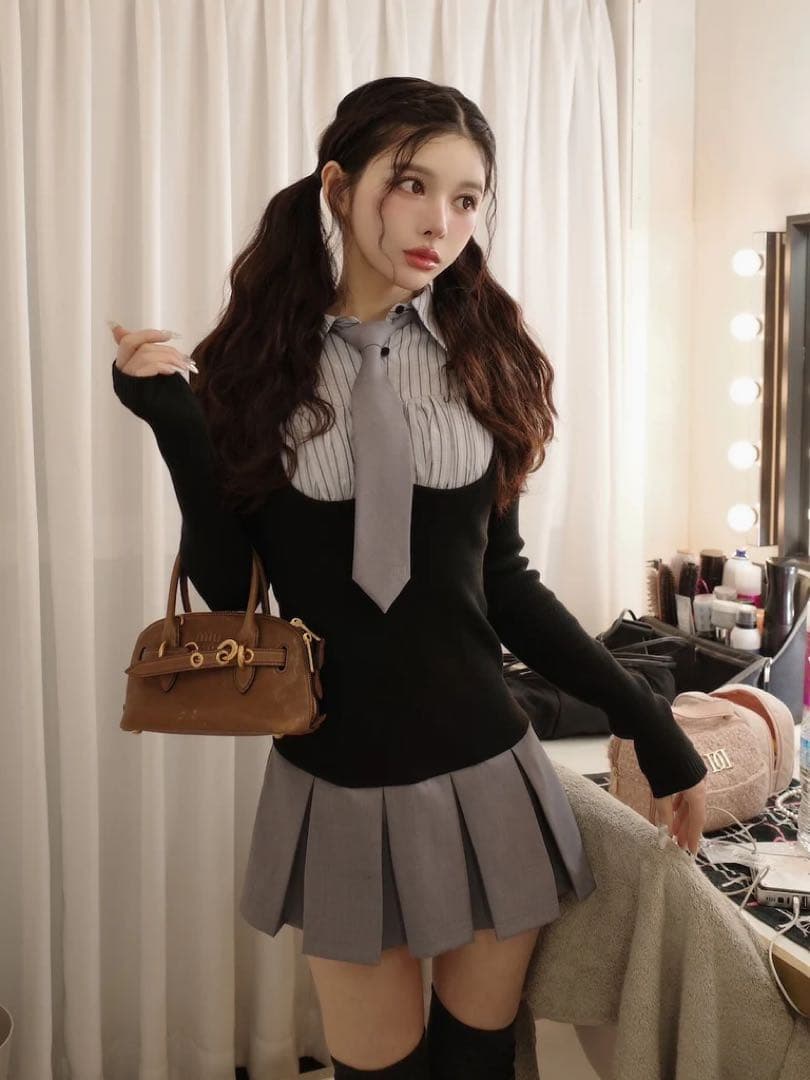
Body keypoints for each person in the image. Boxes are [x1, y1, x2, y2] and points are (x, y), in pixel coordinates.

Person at [110, 76, 707, 1080]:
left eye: (467, 199)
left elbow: (506, 587)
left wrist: (651, 723)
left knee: (479, 1064)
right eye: (413, 184)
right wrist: (178, 427)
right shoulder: (253, 370)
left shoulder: (487, 359)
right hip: (337, 781)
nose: (441, 223)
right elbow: (227, 594)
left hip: (490, 769)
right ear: (339, 187)